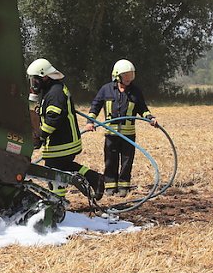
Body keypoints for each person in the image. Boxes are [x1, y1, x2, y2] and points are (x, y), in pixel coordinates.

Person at [27, 58, 104, 202]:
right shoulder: (51, 90)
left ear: (44, 77)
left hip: (62, 142)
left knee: (53, 172)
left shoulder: (55, 93)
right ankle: (93, 178)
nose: (33, 84)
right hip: (62, 141)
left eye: (35, 80)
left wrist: (40, 135)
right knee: (63, 168)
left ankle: (58, 202)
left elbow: (53, 118)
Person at [85, 59, 158, 197]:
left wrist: (150, 118)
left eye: (131, 75)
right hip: (111, 134)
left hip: (128, 135)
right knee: (110, 160)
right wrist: (90, 122)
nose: (129, 78)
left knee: (126, 161)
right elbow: (95, 106)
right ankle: (110, 186)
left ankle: (124, 186)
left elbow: (142, 108)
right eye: (126, 75)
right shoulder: (106, 89)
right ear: (117, 75)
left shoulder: (136, 91)